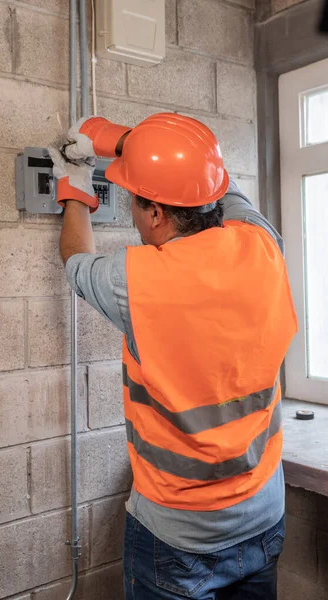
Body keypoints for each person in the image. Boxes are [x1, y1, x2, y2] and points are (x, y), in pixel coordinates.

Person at [48, 113, 297, 600]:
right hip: (265, 515)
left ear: (155, 215)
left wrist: (74, 187)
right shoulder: (262, 244)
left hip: (181, 539)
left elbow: (76, 260)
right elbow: (219, 184)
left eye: (135, 205)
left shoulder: (135, 280)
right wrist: (127, 142)